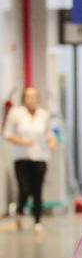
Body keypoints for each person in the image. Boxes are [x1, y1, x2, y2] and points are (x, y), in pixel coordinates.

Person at [3, 87, 57, 234]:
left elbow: (49, 133)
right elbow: (7, 133)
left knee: (37, 190)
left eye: (34, 96)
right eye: (28, 97)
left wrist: (52, 141)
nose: (31, 99)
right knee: (24, 189)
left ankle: (38, 222)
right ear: (23, 98)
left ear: (38, 98)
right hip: (21, 157)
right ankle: (20, 211)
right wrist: (23, 142)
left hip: (40, 157)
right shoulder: (16, 113)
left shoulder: (43, 115)